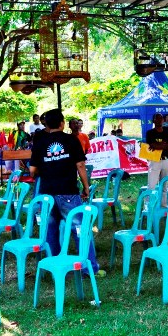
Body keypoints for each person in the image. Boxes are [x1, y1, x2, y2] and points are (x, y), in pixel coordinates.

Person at [29, 108, 105, 277]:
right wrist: (86, 186)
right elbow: (80, 165)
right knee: (80, 229)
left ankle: (55, 268)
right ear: (62, 123)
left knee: (50, 231)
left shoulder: (40, 142)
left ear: (47, 125)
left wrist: (46, 168)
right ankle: (89, 268)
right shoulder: (71, 139)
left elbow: (32, 170)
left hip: (46, 194)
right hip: (68, 192)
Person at [145, 113, 168, 207]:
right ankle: (148, 206)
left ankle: (163, 204)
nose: (159, 120)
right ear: (153, 121)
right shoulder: (150, 133)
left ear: (163, 120)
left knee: (165, 185)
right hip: (154, 161)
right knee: (151, 185)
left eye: (161, 118)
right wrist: (165, 145)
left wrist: (160, 146)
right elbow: (152, 145)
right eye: (156, 119)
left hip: (166, 160)